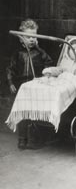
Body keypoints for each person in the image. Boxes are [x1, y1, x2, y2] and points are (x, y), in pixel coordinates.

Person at [6, 19, 53, 150]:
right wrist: (10, 82)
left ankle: (35, 139)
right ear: (21, 39)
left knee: (34, 112)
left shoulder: (39, 52)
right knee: (22, 112)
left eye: (34, 36)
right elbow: (10, 69)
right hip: (22, 86)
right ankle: (22, 139)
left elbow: (49, 63)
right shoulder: (17, 54)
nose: (32, 39)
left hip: (35, 86)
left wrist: (45, 77)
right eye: (28, 37)